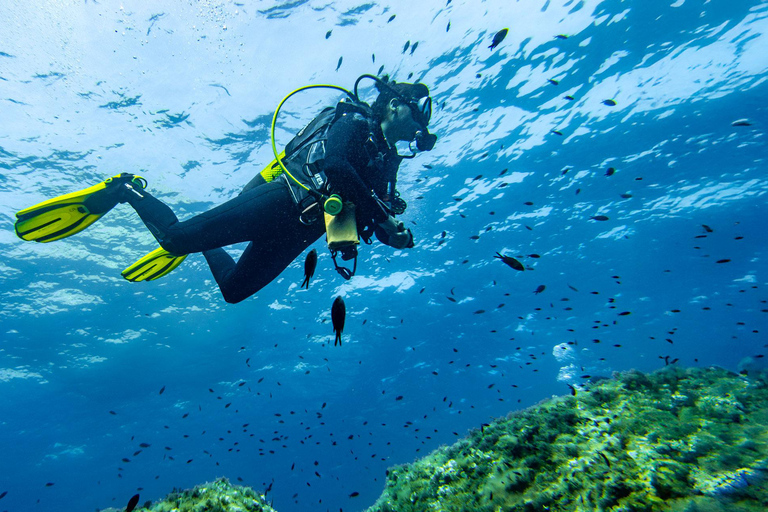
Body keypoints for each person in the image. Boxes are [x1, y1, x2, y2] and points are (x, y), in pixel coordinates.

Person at [14, 75, 436, 303]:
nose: (422, 124)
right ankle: (126, 188)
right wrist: (382, 216)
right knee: (176, 239)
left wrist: (393, 234)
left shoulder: (387, 162)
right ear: (396, 104)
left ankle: (200, 240)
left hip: (301, 231)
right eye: (420, 111)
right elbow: (337, 167)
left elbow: (366, 215)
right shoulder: (355, 123)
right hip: (283, 200)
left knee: (234, 291)